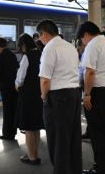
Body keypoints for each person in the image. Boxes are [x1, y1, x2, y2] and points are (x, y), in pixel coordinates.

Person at [37, 19, 82, 174]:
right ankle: (74, 169)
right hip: (74, 94)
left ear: (44, 34)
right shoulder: (69, 46)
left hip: (58, 97)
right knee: (73, 135)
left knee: (58, 138)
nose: (40, 40)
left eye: (40, 36)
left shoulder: (49, 49)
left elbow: (45, 80)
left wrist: (44, 97)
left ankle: (61, 170)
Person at [77, 21, 105, 174]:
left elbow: (90, 72)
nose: (83, 42)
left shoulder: (92, 45)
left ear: (86, 34)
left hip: (99, 93)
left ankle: (100, 168)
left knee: (98, 132)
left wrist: (87, 94)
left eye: (82, 39)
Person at [15, 33, 43, 165]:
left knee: (28, 128)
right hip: (39, 94)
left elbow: (20, 78)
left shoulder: (27, 57)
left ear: (24, 45)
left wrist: (16, 85)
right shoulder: (40, 53)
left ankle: (32, 156)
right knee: (36, 127)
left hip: (28, 96)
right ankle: (35, 153)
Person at [0, 37, 19, 141]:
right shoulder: (12, 55)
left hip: (5, 87)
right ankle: (13, 132)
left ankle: (7, 134)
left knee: (7, 111)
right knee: (12, 109)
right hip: (14, 86)